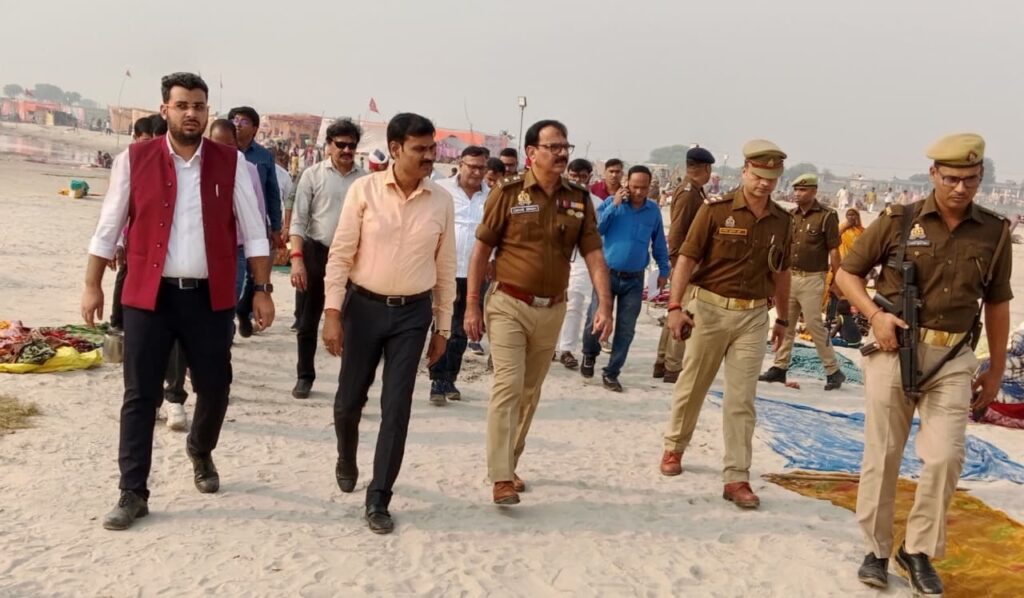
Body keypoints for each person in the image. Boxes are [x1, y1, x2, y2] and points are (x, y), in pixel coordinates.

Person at [82, 72, 274, 531]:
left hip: (209, 298)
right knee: (139, 394)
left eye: (199, 106)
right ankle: (132, 491)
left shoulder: (232, 163)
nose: (191, 113)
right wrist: (92, 283)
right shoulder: (134, 159)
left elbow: (255, 232)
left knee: (216, 387)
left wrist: (262, 290)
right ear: (165, 109)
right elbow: (109, 226)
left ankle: (200, 449)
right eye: (182, 105)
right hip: (149, 297)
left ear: (207, 111)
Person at [836, 133, 1012, 595]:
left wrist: (994, 367)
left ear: (981, 177)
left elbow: (998, 303)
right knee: (883, 453)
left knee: (945, 457)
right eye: (951, 178)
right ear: (933, 174)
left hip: (953, 358)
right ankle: (876, 549)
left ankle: (916, 551)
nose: (960, 187)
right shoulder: (899, 220)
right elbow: (846, 274)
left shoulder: (994, 232)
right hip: (893, 349)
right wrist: (874, 316)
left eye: (970, 179)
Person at [465, 119, 613, 506]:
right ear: (531, 153)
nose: (562, 153)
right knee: (508, 385)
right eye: (553, 147)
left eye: (565, 146)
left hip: (552, 310)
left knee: (530, 392)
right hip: (508, 304)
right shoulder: (507, 193)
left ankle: (510, 463)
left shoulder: (579, 199)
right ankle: (500, 477)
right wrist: (472, 305)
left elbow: (594, 253)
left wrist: (605, 303)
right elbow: (481, 251)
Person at [321, 112, 456, 534]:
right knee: (348, 403)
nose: (429, 156)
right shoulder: (364, 191)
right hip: (363, 309)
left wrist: (443, 328)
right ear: (395, 149)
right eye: (420, 149)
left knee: (396, 407)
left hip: (412, 316)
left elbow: (446, 268)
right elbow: (341, 254)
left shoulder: (441, 201)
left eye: (432, 149)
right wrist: (332, 313)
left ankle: (379, 496)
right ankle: (346, 455)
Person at [659, 139, 792, 510]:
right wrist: (675, 306)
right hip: (710, 310)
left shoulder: (783, 221)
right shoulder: (715, 212)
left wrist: (782, 318)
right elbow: (686, 259)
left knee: (741, 399)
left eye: (771, 178)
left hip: (753, 316)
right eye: (758, 175)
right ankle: (674, 446)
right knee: (693, 385)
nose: (764, 184)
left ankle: (736, 476)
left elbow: (782, 272)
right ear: (745, 171)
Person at [289, 119, 366, 399]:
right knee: (307, 321)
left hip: (354, 260)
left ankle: (350, 384)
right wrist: (297, 260)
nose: (346, 150)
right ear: (329, 146)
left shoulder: (365, 181)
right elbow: (299, 220)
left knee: (354, 324)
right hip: (317, 253)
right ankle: (304, 376)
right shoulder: (312, 175)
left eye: (351, 145)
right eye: (341, 144)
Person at [580, 165, 670, 391]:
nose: (639, 192)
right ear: (627, 183)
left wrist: (664, 270)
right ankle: (589, 353)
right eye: (635, 186)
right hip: (607, 275)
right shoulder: (612, 203)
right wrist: (615, 206)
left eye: (644, 188)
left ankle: (612, 372)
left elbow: (659, 243)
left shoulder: (652, 211)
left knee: (626, 328)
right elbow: (596, 230)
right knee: (595, 319)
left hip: (634, 279)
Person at [758, 173, 845, 390]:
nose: (798, 194)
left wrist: (837, 280)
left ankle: (833, 370)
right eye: (796, 190)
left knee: (815, 325)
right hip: (790, 276)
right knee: (785, 322)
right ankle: (779, 367)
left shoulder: (826, 216)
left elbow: (834, 250)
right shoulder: (790, 215)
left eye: (803, 190)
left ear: (814, 191)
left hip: (812, 278)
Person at [425, 146, 492, 405]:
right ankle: (437, 378)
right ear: (460, 164)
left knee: (464, 328)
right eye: (471, 166)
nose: (476, 172)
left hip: (476, 274)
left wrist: (493, 260)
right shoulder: (441, 190)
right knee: (442, 324)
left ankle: (449, 378)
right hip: (444, 270)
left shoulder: (493, 197)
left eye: (481, 167)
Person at [654, 146, 715, 383]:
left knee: (675, 309)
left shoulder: (693, 191)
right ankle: (673, 365)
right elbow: (678, 232)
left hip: (685, 262)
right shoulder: (689, 194)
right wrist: (678, 265)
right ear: (706, 169)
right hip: (686, 263)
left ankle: (663, 361)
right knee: (685, 314)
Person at [229, 105, 283, 337]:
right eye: (234, 121)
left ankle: (243, 310)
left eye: (243, 122)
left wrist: (276, 228)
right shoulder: (219, 153)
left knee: (255, 275)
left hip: (254, 227)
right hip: (226, 229)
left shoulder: (263, 158)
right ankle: (230, 322)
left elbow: (272, 193)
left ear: (255, 128)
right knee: (232, 281)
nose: (238, 126)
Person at [554, 158, 603, 369]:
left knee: (574, 303)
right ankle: (549, 345)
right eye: (574, 176)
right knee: (551, 301)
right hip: (555, 255)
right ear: (567, 174)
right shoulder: (555, 196)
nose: (578, 180)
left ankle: (566, 349)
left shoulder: (596, 203)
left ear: (589, 177)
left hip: (581, 259)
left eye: (582, 176)